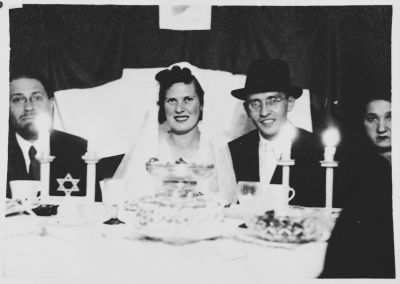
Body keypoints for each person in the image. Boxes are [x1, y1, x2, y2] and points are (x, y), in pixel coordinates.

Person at [114, 66, 236, 203]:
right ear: (162, 106)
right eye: (172, 101)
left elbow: (227, 204)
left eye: (188, 100)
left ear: (202, 104)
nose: (179, 109)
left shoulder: (216, 152)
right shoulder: (148, 149)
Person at [228, 59, 325, 207]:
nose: (264, 112)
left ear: (290, 102)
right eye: (255, 104)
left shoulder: (319, 150)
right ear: (247, 109)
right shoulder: (234, 151)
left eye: (272, 100)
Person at [320, 94, 394, 278]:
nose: (382, 128)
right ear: (363, 124)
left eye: (391, 116)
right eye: (372, 118)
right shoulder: (353, 172)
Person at [7, 72, 88, 199]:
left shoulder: (77, 149)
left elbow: (93, 208)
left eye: (37, 98)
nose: (28, 107)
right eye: (17, 99)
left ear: (51, 104)